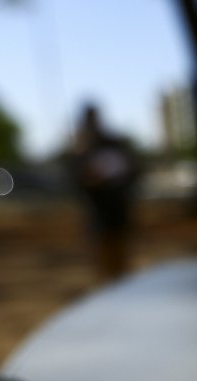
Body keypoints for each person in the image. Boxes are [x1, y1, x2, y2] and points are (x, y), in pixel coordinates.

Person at [69, 104, 141, 282]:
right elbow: (77, 180)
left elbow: (133, 170)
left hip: (117, 206)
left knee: (120, 252)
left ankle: (121, 286)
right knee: (102, 255)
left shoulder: (112, 143)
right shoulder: (83, 148)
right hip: (97, 210)